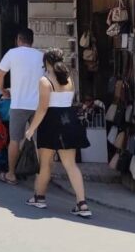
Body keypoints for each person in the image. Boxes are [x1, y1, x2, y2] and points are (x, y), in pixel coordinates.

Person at [24, 49, 92, 218]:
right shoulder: (69, 79)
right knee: (70, 164)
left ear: (47, 62)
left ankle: (39, 197)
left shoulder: (45, 80)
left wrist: (31, 129)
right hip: (69, 120)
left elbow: (42, 108)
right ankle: (82, 204)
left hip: (50, 122)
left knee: (45, 163)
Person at [0, 28, 44, 185]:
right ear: (32, 41)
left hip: (18, 104)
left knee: (15, 139)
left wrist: (2, 91)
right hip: (38, 105)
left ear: (18, 40)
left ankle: (11, 174)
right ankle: (41, 176)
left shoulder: (12, 53)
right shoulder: (41, 55)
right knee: (39, 141)